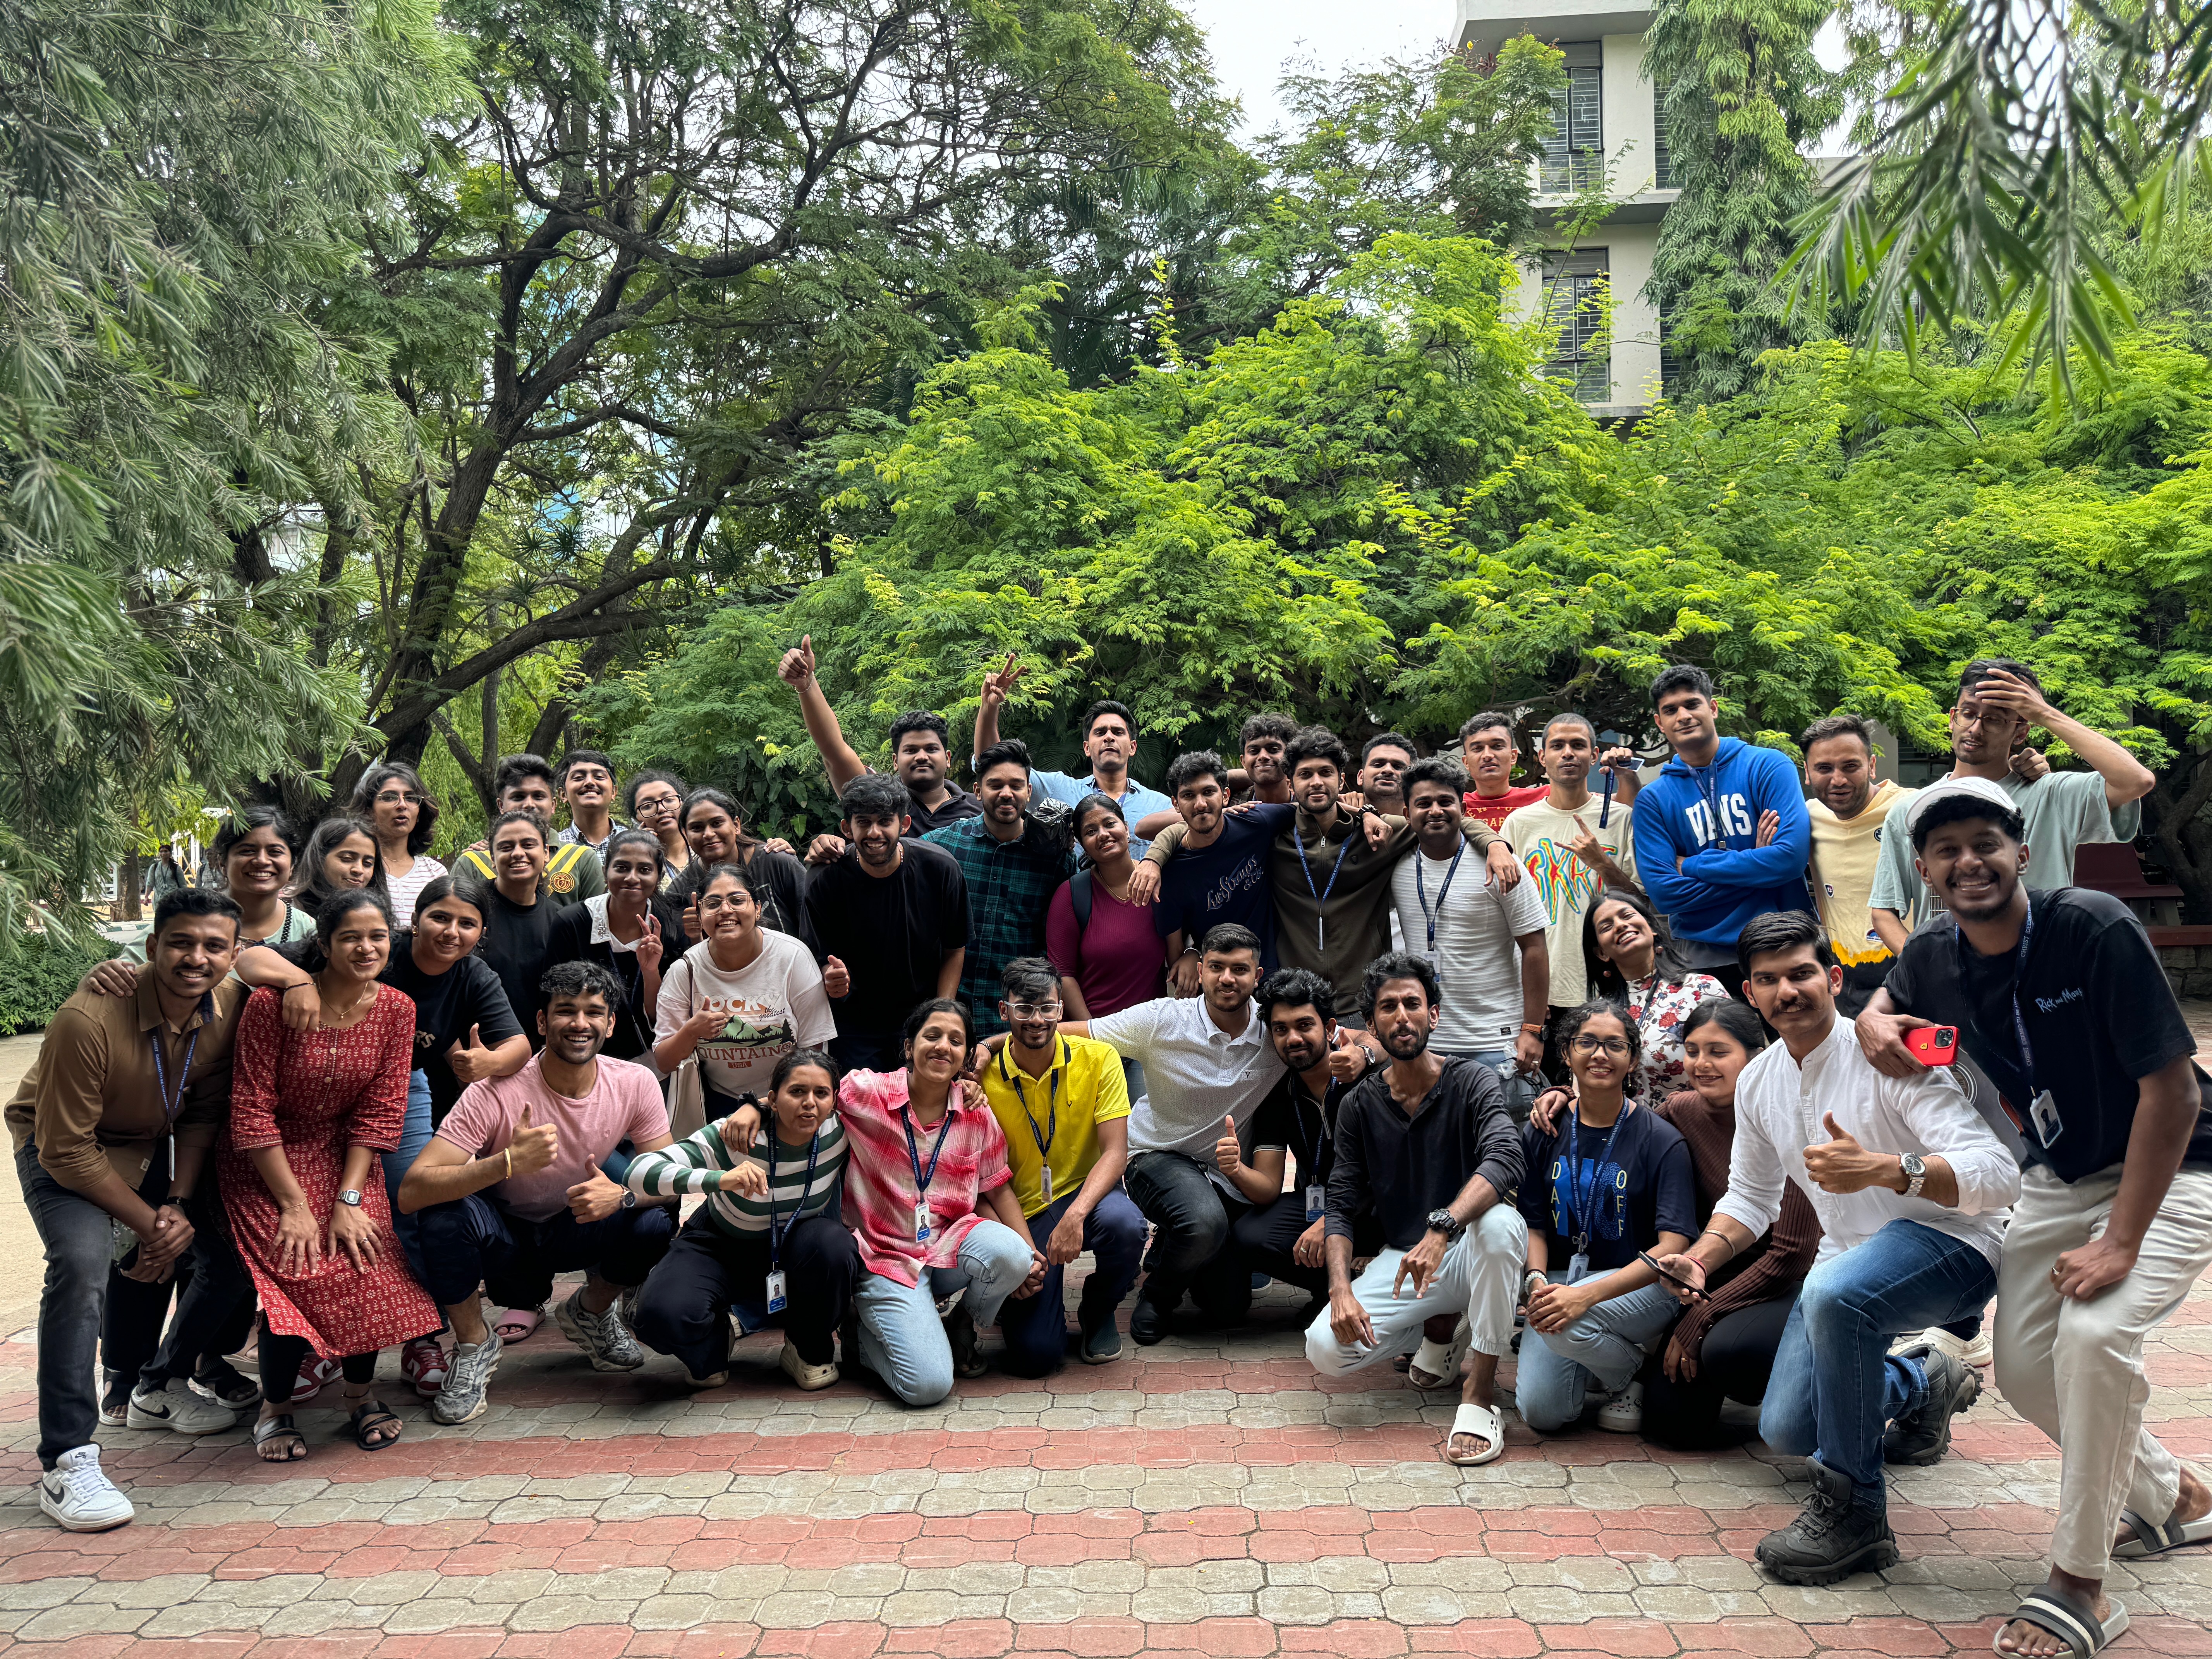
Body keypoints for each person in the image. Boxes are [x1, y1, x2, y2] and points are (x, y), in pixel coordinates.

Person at [1855, 776, 2212, 1659]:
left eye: (1986, 842)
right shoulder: (1935, 956)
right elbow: (1886, 1009)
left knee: (2094, 1341)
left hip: (2171, 1166)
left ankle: (2079, 1585)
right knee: (2019, 1368)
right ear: (1925, 874)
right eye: (1947, 850)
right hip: (2058, 1176)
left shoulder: (2090, 926)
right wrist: (1873, 1026)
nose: (1968, 861)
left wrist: (2122, 1243)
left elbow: (2170, 1091)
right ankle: (2178, 1501)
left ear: (2021, 852)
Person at [1655, 910, 2018, 1585]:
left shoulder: (1885, 1053)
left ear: (1833, 976)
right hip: (1845, 1262)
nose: (1787, 990)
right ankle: (1925, 1381)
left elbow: (1998, 1174)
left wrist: (1888, 1167)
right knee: (1788, 1429)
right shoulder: (1760, 1079)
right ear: (1749, 993)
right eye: (1769, 979)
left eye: (1801, 973)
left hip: (1955, 1240)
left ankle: (1857, 1517)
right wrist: (1701, 1257)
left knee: (1835, 1293)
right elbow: (1750, 1197)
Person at [216, 874, 531, 1395]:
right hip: (293, 1117)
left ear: (480, 931)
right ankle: (317, 1351)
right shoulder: (365, 944)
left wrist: (486, 1061)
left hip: (388, 1094)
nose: (451, 931)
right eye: (440, 917)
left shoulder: (452, 983)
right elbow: (247, 960)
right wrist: (296, 982)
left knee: (400, 1208)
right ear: (414, 921)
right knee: (305, 1236)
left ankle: (420, 1334)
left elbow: (515, 1044)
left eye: (467, 923)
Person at [11, 893, 255, 1530]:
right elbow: (65, 1149)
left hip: (156, 1152)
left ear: (234, 955)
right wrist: (152, 1228)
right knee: (83, 1264)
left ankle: (156, 1384)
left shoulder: (229, 1006)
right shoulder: (88, 1018)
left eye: (213, 946)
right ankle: (67, 1458)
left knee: (227, 1255)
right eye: (180, 942)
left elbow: (202, 1112)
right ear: (151, 947)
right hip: (65, 1148)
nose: (195, 957)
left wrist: (175, 1203)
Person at [400, 962, 678, 1422]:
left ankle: (589, 1313)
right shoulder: (494, 1092)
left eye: (594, 1012)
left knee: (653, 1219)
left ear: (611, 1025)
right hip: (505, 1238)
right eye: (566, 1011)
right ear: (542, 1022)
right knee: (441, 1214)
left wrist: (622, 1197)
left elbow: (668, 1176)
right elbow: (412, 1191)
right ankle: (473, 1344)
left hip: (576, 1224)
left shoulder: (634, 1082)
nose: (580, 1024)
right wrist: (506, 1162)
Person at [219, 889, 440, 1465]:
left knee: (364, 1257)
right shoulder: (277, 1003)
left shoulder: (396, 1008)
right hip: (263, 1159)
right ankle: (276, 1408)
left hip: (344, 1157)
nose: (366, 948)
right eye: (350, 937)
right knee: (302, 1265)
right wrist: (294, 1204)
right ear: (324, 943)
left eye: (377, 936)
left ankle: (359, 1397)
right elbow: (251, 1109)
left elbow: (381, 1111)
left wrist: (349, 1198)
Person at [1305, 952, 1528, 1466]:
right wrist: (1339, 1291)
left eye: (1413, 1003)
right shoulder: (1359, 1105)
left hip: (1466, 1247)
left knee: (1498, 1227)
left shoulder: (1472, 1080)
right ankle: (1443, 1328)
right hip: (1408, 1259)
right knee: (1326, 1349)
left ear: (1435, 1015)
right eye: (1388, 1007)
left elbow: (1506, 1156)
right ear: (1373, 1024)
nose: (1402, 1015)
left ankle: (1480, 1392)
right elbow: (1340, 1199)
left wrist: (1444, 1226)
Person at [1135, 727, 1515, 1018]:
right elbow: (1186, 825)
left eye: (1326, 773)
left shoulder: (1379, 832)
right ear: (1292, 784)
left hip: (1360, 1002)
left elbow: (1441, 820)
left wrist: (1496, 844)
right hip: (1292, 1000)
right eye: (1305, 775)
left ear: (1343, 780)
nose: (1316, 782)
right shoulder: (1271, 830)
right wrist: (1154, 859)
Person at [1869, 659, 2155, 951]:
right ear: (1953, 718)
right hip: (1953, 982)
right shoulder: (1910, 811)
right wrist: (1925, 969)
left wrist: (2044, 713)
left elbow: (2137, 781)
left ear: (2020, 732)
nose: (1976, 729)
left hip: (2044, 975)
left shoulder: (2052, 795)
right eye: (1968, 714)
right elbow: (1884, 910)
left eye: (1995, 719)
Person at [839, 1000, 1044, 1403]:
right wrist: (756, 1109)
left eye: (955, 1041)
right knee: (928, 1388)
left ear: (967, 1058)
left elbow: (997, 1186)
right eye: (931, 1036)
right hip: (888, 1256)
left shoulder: (975, 1112)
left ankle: (961, 1323)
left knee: (1014, 1256)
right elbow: (811, 1095)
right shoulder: (869, 1094)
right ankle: (862, 1340)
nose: (942, 1047)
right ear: (908, 1046)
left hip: (947, 1244)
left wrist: (1032, 1254)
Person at [1639, 1001, 1821, 1449]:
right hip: (1713, 1275)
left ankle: (1892, 1376)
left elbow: (1792, 1254)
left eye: (1718, 1052)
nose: (1701, 1065)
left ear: (1757, 1056)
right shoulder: (1681, 1110)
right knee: (1671, 1430)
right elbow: (1621, 1131)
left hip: (1789, 1283)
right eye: (1693, 1051)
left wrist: (1703, 1315)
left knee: (1734, 1357)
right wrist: (1567, 1097)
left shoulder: (1790, 1117)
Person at [626, 1049, 860, 1389]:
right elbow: (640, 1171)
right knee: (660, 1317)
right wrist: (719, 1179)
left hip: (795, 1248)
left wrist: (967, 1088)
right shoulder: (738, 1135)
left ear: (833, 1102)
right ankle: (713, 1344)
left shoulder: (840, 1131)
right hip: (722, 1244)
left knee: (836, 1247)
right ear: (774, 1100)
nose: (810, 1103)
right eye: (797, 1092)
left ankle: (806, 1348)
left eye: (821, 1093)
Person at [1514, 1001, 1695, 1436]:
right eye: (1587, 1043)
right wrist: (1537, 1281)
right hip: (1559, 1276)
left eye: (1615, 1045)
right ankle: (1607, 1363)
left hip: (1643, 1284)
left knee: (1569, 1322)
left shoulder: (1662, 1140)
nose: (1600, 1055)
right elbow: (1534, 1223)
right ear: (1566, 1052)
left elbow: (1674, 1245)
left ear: (1632, 1059)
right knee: (1543, 1414)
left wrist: (1584, 1296)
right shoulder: (1542, 1132)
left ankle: (1632, 1370)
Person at [981, 959, 1146, 1373]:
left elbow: (1115, 1152)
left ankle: (1099, 1308)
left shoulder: (1099, 1058)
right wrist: (1015, 1252)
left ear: (1061, 1010)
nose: (1037, 1020)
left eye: (1047, 1009)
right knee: (1036, 1357)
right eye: (1024, 1009)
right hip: (1019, 1210)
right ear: (1005, 1012)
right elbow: (979, 1181)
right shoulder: (979, 1078)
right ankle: (1012, 1300)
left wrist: (1075, 1214)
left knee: (1127, 1225)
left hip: (1083, 1195)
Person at [1631, 665, 1813, 978]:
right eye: (1671, 710)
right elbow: (1664, 894)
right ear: (1660, 723)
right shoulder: (1653, 800)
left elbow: (1790, 860)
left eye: (1692, 704)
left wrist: (1691, 866)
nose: (1684, 716)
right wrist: (1758, 868)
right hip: (1700, 959)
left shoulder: (1768, 766)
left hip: (1785, 944)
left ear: (1713, 708)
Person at [1389, 758, 1549, 1103]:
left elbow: (1535, 947)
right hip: (1428, 1043)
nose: (1436, 811)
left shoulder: (1501, 865)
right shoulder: (1396, 865)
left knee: (1507, 1151)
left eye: (1446, 802)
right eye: (1424, 803)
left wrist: (1533, 1030)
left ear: (1463, 808)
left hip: (1498, 1043)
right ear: (1406, 813)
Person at [1231, 969, 1380, 1308]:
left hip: (1377, 1205)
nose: (1293, 1038)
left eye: (1304, 1025)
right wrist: (1234, 1169)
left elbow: (1392, 1177)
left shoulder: (1368, 1082)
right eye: (1281, 1030)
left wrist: (1332, 1222)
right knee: (1251, 1236)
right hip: (1318, 1200)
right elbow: (1269, 1185)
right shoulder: (1276, 1094)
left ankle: (1376, 1283)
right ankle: (1336, 1293)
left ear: (1329, 1029)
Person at [1502, 713, 1640, 1071]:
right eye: (1558, 746)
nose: (1568, 753)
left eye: (1578, 745)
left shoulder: (1622, 817)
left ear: (1594, 756)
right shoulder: (1519, 823)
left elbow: (1641, 904)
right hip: (1542, 991)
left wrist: (1602, 863)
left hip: (1608, 985)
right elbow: (1506, 914)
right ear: (1541, 757)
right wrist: (1525, 995)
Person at [805, 774, 970, 1072]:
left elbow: (955, 948)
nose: (874, 832)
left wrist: (942, 1011)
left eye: (884, 821)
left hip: (921, 1017)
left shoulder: (941, 868)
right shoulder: (824, 880)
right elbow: (816, 957)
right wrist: (830, 975)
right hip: (854, 1024)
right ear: (847, 828)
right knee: (860, 1108)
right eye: (864, 822)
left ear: (904, 824)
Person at [655, 864, 837, 1116]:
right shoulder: (685, 970)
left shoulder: (792, 958)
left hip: (789, 1101)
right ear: (699, 914)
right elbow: (664, 1061)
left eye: (737, 900)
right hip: (717, 1103)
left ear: (758, 909)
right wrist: (692, 1031)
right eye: (713, 903)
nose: (725, 910)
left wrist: (765, 1105)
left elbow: (814, 1049)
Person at [921, 739, 1073, 1039]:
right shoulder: (942, 846)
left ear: (1029, 792)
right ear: (978, 792)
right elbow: (888, 858)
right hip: (948, 1014)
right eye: (995, 785)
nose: (1007, 794)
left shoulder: (1055, 860)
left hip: (1017, 1022)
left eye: (1017, 785)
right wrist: (835, 849)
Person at [778, 635, 981, 833]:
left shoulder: (981, 809)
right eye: (910, 750)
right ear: (895, 760)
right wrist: (806, 683)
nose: (921, 757)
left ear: (947, 758)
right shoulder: (877, 798)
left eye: (931, 749)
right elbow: (835, 754)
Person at [1794, 715, 1917, 1018]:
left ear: (1872, 766)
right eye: (1824, 768)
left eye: (1851, 766)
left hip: (1909, 969)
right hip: (1841, 978)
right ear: (1807, 773)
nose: (1838, 780)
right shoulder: (1806, 818)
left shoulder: (1912, 807)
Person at [974, 658, 1175, 836]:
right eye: (1100, 732)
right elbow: (993, 764)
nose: (1109, 738)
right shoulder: (1058, 789)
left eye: (1118, 732)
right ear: (1087, 748)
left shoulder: (1161, 806)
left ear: (1133, 747)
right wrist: (989, 708)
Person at [1149, 750, 1293, 990]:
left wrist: (1367, 814)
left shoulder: (1256, 823)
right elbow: (1175, 958)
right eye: (1188, 795)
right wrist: (1193, 952)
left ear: (1225, 795)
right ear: (1176, 804)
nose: (1201, 804)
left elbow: (1310, 810)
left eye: (1208, 792)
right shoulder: (1171, 876)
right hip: (1219, 989)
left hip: (1271, 979)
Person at [546, 830, 690, 1065]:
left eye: (644, 870)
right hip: (583, 1056)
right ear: (605, 872)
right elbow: (555, 999)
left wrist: (650, 972)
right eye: (622, 868)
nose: (632, 878)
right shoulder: (573, 923)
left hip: (657, 1059)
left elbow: (667, 1016)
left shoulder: (671, 927)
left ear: (659, 876)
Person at [1579, 889, 1730, 1101]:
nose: (1621, 925)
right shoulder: (1599, 1015)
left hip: (1702, 1123)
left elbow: (1740, 1062)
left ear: (1651, 928)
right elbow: (1584, 1083)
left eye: (1627, 916)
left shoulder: (1702, 989)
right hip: (1632, 1130)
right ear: (1601, 953)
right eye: (1607, 926)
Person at [1046, 793, 1167, 1020]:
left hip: (1154, 1037)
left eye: (1110, 824)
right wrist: (1095, 1036)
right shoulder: (1071, 895)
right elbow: (1063, 974)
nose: (1103, 834)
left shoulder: (1158, 883)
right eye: (1091, 832)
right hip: (1096, 1035)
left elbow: (1185, 941)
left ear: (1127, 829)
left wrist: (1192, 953)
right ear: (1083, 845)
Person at [454, 755, 605, 906]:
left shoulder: (582, 860)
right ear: (501, 806)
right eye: (518, 797)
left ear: (553, 805)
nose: (529, 804)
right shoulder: (473, 864)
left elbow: (594, 922)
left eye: (538, 796)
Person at [471, 810, 566, 1041]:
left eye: (528, 844)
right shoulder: (469, 910)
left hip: (540, 1051)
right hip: (476, 1045)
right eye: (505, 847)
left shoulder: (561, 920)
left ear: (546, 854)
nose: (518, 853)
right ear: (492, 859)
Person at [674, 787, 809, 942]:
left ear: (736, 825)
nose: (709, 834)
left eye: (717, 823)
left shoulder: (777, 863)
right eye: (697, 828)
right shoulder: (681, 889)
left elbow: (815, 921)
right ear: (685, 833)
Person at [350, 762, 448, 928]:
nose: (402, 805)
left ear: (419, 814)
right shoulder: (356, 867)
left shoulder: (435, 873)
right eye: (389, 797)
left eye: (411, 798)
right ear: (368, 810)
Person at [209, 807, 314, 949]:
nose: (262, 861)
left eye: (275, 852)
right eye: (248, 851)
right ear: (223, 862)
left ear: (292, 865)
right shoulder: (193, 922)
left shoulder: (309, 931)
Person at [1457, 711, 1551, 831]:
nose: (1487, 755)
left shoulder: (1547, 798)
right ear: (1466, 762)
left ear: (1513, 756)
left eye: (1497, 746)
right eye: (1478, 749)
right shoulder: (1453, 807)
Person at [292, 816, 388, 917]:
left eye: (367, 864)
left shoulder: (377, 916)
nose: (359, 870)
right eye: (347, 859)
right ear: (320, 858)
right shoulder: (291, 914)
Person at [625, 769, 692, 891]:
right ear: (637, 818)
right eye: (648, 806)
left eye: (669, 800)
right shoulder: (634, 860)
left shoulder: (703, 848)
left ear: (682, 804)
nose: (661, 809)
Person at [556, 750, 625, 857]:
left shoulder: (635, 841)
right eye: (579, 778)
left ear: (614, 792)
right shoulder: (554, 847)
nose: (590, 782)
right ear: (563, 794)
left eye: (599, 777)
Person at [1233, 712, 1298, 805]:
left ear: (1290, 757)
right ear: (1243, 762)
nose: (1263, 756)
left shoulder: (1310, 804)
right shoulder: (1229, 804)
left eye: (1273, 750)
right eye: (1254, 751)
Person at [1354, 732, 1418, 815]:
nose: (1388, 770)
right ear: (1361, 777)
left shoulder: (1428, 825)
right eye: (1378, 765)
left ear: (1413, 782)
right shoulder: (1338, 817)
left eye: (1398, 767)